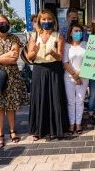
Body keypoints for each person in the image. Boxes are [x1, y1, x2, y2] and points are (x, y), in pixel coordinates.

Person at [0, 14, 28, 147]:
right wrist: (4, 56)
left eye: (5, 22)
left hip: (11, 76)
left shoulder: (14, 38)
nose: (3, 25)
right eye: (0, 23)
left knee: (11, 107)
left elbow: (13, 58)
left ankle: (13, 131)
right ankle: (0, 134)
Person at [28, 9, 67, 140]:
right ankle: (38, 129)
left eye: (49, 19)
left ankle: (55, 129)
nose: (46, 22)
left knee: (55, 98)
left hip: (54, 69)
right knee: (40, 98)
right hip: (39, 70)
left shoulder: (59, 36)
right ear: (39, 21)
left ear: (53, 21)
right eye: (43, 19)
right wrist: (35, 51)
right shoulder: (34, 36)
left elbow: (60, 57)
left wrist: (52, 53)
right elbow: (30, 57)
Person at [63, 23, 89, 134]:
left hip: (83, 77)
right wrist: (74, 75)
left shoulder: (86, 44)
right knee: (70, 101)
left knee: (80, 101)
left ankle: (78, 124)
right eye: (75, 31)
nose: (78, 33)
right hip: (69, 77)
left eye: (80, 31)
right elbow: (65, 62)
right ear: (70, 33)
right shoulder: (66, 46)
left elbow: (89, 61)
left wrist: (80, 75)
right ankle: (71, 123)